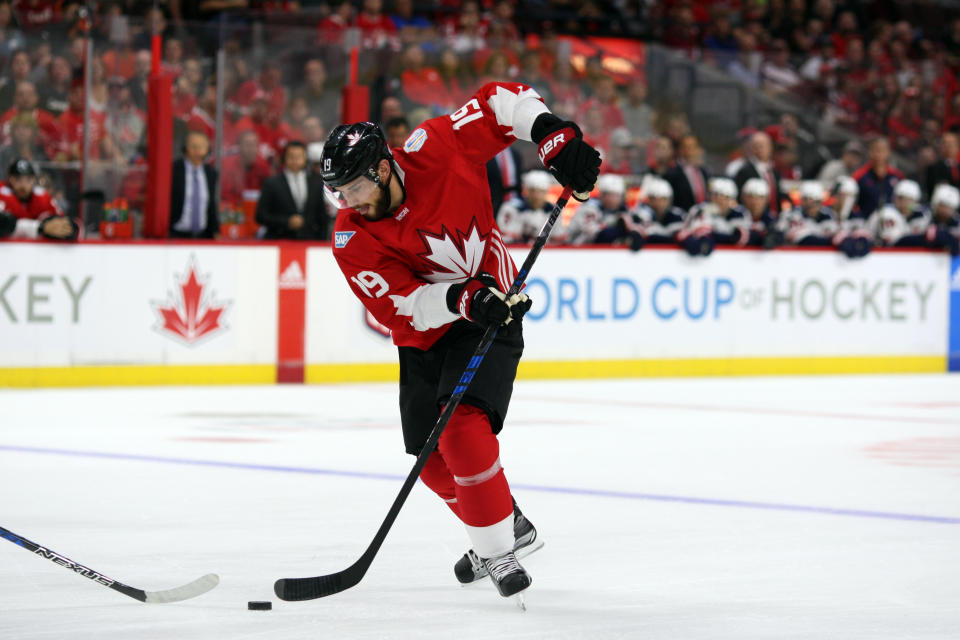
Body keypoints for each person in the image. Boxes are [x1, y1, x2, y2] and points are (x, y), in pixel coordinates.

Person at [318, 82, 600, 599]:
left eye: (353, 188)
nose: (346, 202)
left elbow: (501, 102)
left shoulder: (436, 148)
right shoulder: (350, 236)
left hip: (495, 308)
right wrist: (461, 299)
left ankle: (496, 552)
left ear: (382, 170)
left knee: (462, 428)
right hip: (430, 330)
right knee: (432, 461)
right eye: (338, 192)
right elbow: (400, 304)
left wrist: (549, 133)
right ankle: (503, 522)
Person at [256, 141, 328, 240]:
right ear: (284, 158)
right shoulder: (271, 183)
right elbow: (261, 215)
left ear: (305, 158)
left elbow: (322, 216)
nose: (295, 160)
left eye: (299, 156)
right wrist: (287, 221)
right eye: (291, 156)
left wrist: (321, 241)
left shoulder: (316, 183)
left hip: (309, 241)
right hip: (279, 240)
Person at [0, 158, 77, 240]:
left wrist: (70, 228)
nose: (23, 185)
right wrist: (41, 228)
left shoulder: (42, 196)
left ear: (34, 180)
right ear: (10, 180)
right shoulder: (2, 194)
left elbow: (60, 219)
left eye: (28, 180)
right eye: (18, 180)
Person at [169, 130, 219, 239]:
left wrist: (215, 230)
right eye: (193, 146)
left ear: (207, 150)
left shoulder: (211, 173)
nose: (197, 151)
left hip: (203, 236)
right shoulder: (173, 170)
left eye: (201, 147)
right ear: (186, 147)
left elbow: (211, 205)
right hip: (176, 235)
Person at [496, 169, 555, 244]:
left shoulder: (553, 210)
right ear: (526, 190)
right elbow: (505, 239)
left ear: (547, 192)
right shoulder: (511, 208)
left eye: (541, 191)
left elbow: (558, 241)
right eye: (533, 191)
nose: (537, 196)